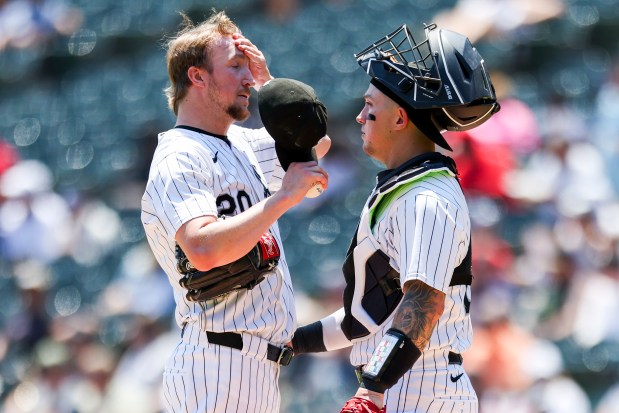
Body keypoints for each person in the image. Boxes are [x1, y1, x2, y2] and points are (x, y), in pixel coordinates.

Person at [290, 23, 500, 413]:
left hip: (422, 387)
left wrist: (371, 390)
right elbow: (366, 317)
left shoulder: (426, 198)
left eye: (370, 107)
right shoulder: (402, 188)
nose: (358, 117)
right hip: (404, 381)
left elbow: (424, 301)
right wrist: (293, 343)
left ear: (400, 119)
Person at [140, 10, 329, 413]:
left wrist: (267, 81)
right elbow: (203, 251)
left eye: (247, 67)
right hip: (216, 364)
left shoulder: (242, 144)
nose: (246, 76)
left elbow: (315, 142)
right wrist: (283, 199)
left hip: (256, 368)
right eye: (234, 66)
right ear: (197, 77)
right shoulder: (178, 156)